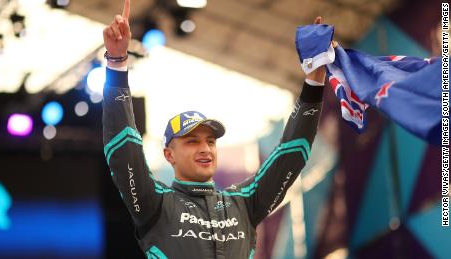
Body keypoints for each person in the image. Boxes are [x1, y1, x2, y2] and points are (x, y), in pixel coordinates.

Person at [102, 0, 328, 258]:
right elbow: (124, 150)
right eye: (192, 141)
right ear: (169, 155)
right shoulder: (156, 203)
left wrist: (314, 80)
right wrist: (117, 63)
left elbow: (291, 154)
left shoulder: (244, 201)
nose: (205, 148)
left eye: (211, 141)